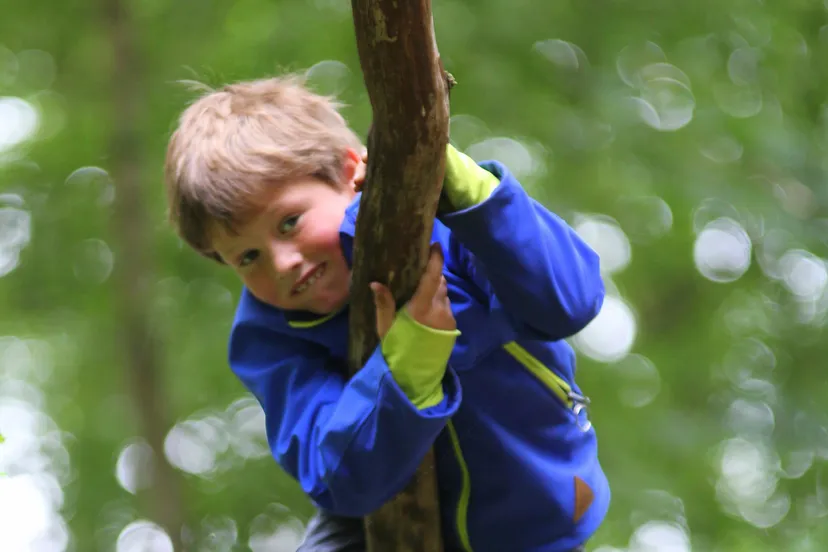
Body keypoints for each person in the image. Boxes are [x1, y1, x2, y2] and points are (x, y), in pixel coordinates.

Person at [164, 75, 609, 552]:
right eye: (248, 257)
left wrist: (460, 183)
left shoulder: (449, 222)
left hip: (532, 503)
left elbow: (571, 301)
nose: (281, 262)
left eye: (289, 223)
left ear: (350, 170)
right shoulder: (269, 338)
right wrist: (407, 368)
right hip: (374, 523)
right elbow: (335, 475)